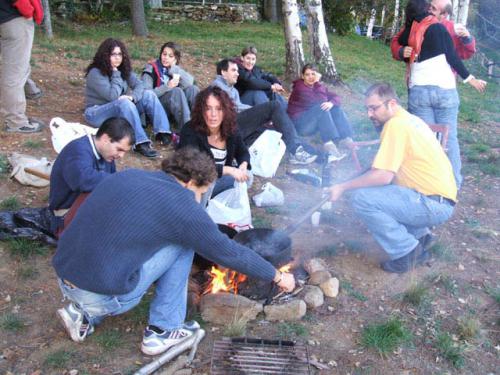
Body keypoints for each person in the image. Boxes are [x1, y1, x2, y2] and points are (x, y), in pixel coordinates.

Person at [52, 147, 295, 355]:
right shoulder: (182, 208)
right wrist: (278, 276)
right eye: (201, 192)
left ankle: (82, 315)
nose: (199, 198)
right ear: (190, 182)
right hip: (101, 295)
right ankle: (163, 330)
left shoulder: (129, 175)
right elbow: (230, 252)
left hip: (65, 275)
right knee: (184, 244)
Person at [328, 83, 457, 273]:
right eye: (367, 109)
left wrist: (343, 187)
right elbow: (383, 168)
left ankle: (407, 253)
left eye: (374, 108)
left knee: (362, 198)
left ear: (392, 103)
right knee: (372, 192)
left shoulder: (395, 125)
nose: (369, 114)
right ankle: (422, 237)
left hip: (432, 203)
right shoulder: (411, 120)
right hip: (439, 197)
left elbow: (383, 176)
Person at [395, 0, 486, 188]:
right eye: (430, 6)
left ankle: (429, 185)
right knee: (447, 137)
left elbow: (466, 51)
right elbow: (452, 57)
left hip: (419, 90)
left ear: (444, 14)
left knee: (425, 138)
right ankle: (450, 185)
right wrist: (470, 79)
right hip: (443, 90)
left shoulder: (417, 27)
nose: (430, 8)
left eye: (434, 7)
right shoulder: (437, 28)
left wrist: (467, 37)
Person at [212, 59, 317, 165]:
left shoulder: (232, 90)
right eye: (233, 70)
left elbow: (238, 107)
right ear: (223, 72)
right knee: (274, 106)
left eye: (237, 71)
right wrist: (260, 112)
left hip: (236, 131)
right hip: (226, 130)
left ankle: (302, 152)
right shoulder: (217, 87)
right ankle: (296, 150)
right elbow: (233, 109)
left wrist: (262, 116)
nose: (237, 74)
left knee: (272, 130)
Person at [84, 38, 171, 158]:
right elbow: (112, 96)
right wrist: (115, 74)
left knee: (148, 94)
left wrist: (132, 97)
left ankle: (163, 132)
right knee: (124, 102)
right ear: (105, 55)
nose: (117, 58)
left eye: (120, 54)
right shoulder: (95, 73)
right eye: (113, 54)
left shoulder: (122, 70)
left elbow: (141, 85)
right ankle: (140, 143)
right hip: (96, 113)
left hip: (119, 109)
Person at [48, 117, 134, 237]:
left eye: (124, 152)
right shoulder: (77, 151)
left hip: (88, 212)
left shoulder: (107, 154)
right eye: (119, 149)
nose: (121, 156)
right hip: (65, 219)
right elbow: (83, 182)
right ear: (105, 138)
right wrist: (120, 180)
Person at [178, 86, 251, 203]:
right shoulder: (190, 130)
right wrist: (227, 170)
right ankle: (200, 215)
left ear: (226, 110)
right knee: (206, 184)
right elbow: (191, 166)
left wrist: (243, 164)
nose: (213, 115)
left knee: (248, 176)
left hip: (219, 180)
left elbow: (243, 152)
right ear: (201, 111)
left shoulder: (230, 129)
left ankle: (219, 205)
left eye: (219, 109)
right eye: (208, 108)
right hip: (194, 181)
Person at [287, 63, 355, 163]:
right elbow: (319, 101)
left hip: (313, 122)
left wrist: (331, 103)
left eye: (313, 74)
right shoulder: (299, 88)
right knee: (322, 107)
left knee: (335, 108)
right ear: (302, 76)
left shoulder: (317, 87)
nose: (310, 77)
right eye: (307, 74)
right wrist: (317, 83)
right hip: (301, 125)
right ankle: (329, 148)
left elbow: (336, 97)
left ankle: (345, 139)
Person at [0, 0, 44, 133]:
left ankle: (30, 90)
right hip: (12, 17)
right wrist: (26, 8)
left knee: (16, 69)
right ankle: (16, 121)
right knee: (15, 73)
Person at [391, 0, 476, 63]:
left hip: (443, 83)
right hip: (416, 80)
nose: (429, 10)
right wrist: (400, 51)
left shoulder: (453, 29)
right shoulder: (418, 21)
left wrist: (467, 39)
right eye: (429, 6)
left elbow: (466, 54)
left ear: (444, 14)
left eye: (434, 9)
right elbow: (395, 40)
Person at [142, 41, 200, 129]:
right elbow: (146, 95)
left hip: (175, 107)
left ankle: (199, 123)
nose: (166, 58)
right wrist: (167, 86)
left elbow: (190, 82)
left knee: (193, 89)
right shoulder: (151, 68)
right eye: (164, 54)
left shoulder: (175, 69)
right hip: (157, 108)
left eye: (170, 56)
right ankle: (187, 129)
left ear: (175, 59)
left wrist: (174, 69)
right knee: (176, 91)